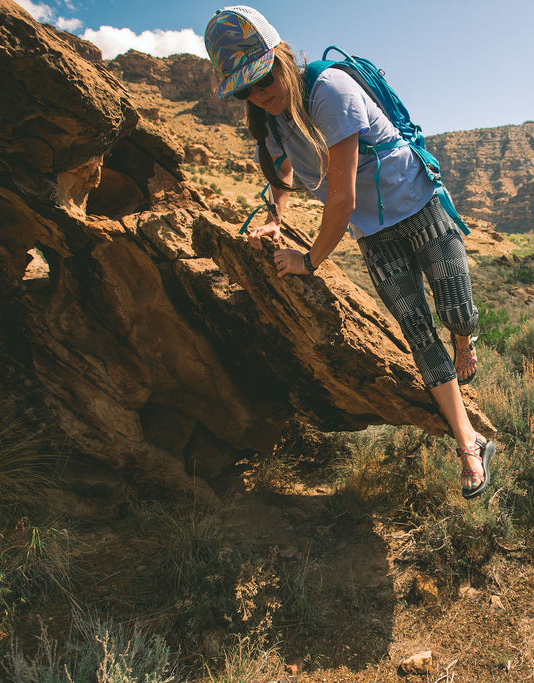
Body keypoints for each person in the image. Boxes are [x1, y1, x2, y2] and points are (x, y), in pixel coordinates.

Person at [204, 6, 495, 499]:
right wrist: (277, 216)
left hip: (419, 203)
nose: (260, 93)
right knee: (419, 335)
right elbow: (280, 170)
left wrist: (309, 260)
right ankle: (469, 442)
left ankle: (465, 342)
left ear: (282, 55)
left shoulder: (329, 91)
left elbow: (341, 198)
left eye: (266, 76)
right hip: (374, 235)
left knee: (454, 311)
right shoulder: (270, 122)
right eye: (246, 88)